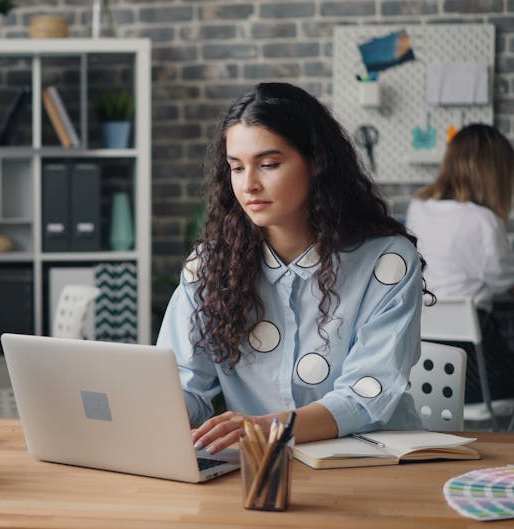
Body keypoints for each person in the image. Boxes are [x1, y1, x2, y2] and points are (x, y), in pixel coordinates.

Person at [157, 82, 427, 455]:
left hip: (375, 462)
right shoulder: (209, 267)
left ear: (316, 164)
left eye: (268, 165)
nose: (249, 184)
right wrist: (145, 412)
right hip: (262, 467)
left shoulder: (386, 263)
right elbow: (185, 385)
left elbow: (366, 394)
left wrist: (265, 428)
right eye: (237, 168)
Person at [405, 123, 514, 405]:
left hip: (423, 367)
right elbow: (504, 281)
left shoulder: (419, 207)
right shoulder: (485, 221)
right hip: (477, 372)